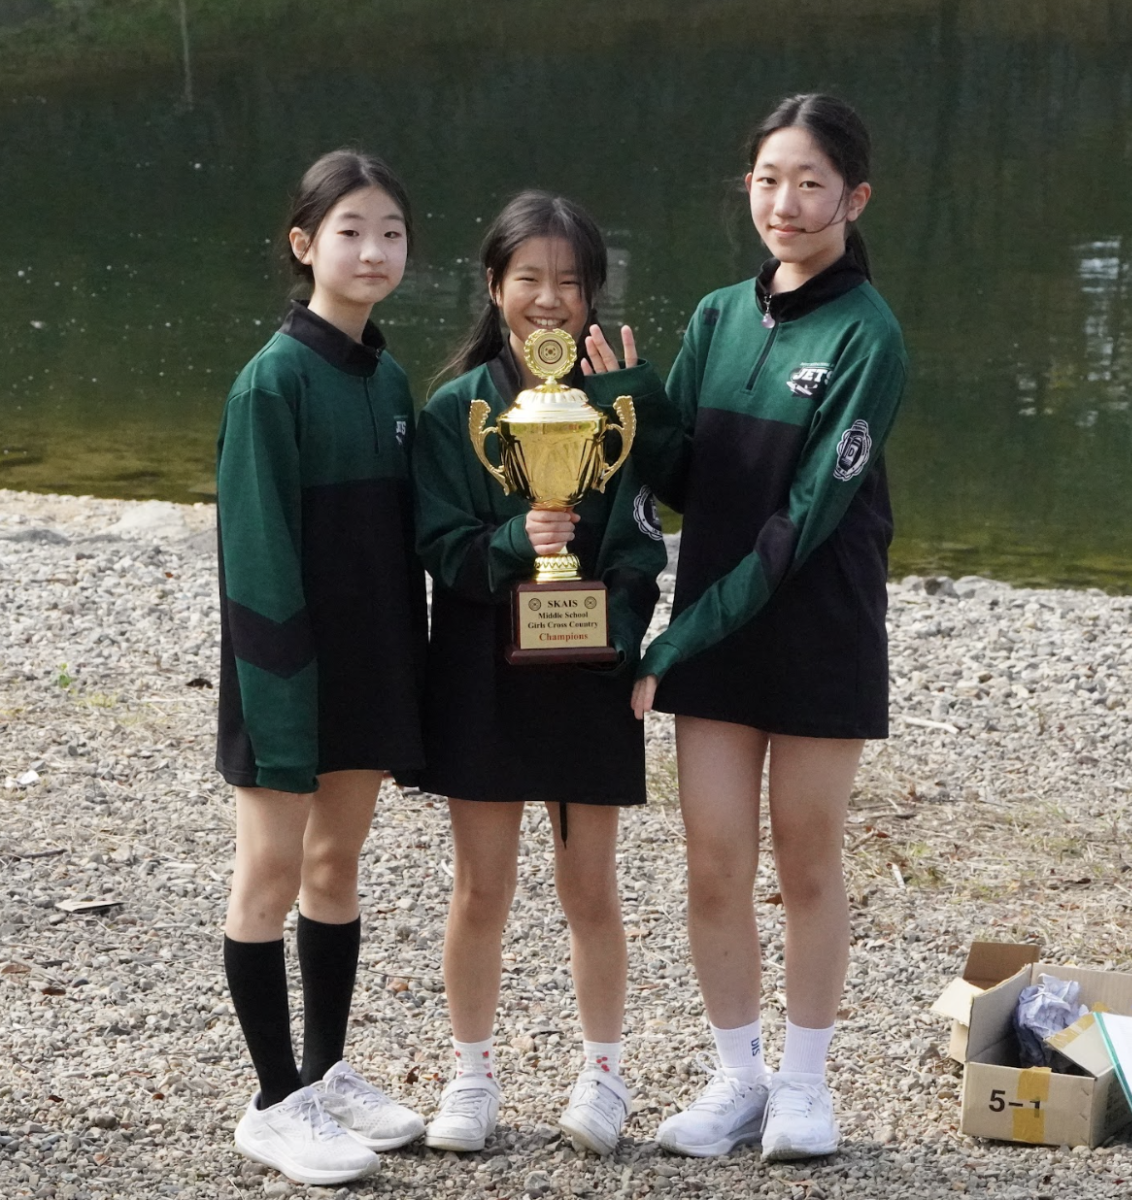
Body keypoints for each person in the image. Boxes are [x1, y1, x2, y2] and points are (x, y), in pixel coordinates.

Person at [582, 93, 907, 1161]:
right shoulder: (720, 316)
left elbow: (802, 520)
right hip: (716, 628)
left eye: (810, 182)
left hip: (815, 625)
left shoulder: (867, 337)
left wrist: (672, 642)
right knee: (712, 861)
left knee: (805, 857)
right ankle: (736, 1078)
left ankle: (805, 1086)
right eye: (767, 180)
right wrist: (628, 406)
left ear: (851, 199)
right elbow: (682, 483)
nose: (785, 202)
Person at [413, 191, 665, 1157]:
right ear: (493, 287)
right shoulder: (455, 409)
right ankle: (469, 1074)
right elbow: (437, 544)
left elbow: (642, 550)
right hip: (480, 665)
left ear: (592, 294)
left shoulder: (618, 407)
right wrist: (514, 540)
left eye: (569, 282)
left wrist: (626, 637)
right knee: (480, 888)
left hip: (589, 668)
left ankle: (604, 1072)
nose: (549, 300)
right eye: (530, 280)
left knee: (590, 888)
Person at [216, 149, 428, 1186]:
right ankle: (271, 1101)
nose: (373, 249)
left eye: (389, 231)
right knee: (266, 873)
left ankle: (325, 1067)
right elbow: (255, 558)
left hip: (368, 665)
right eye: (349, 230)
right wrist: (278, 699)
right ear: (304, 247)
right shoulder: (273, 380)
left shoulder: (386, 377)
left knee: (335, 869)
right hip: (284, 675)